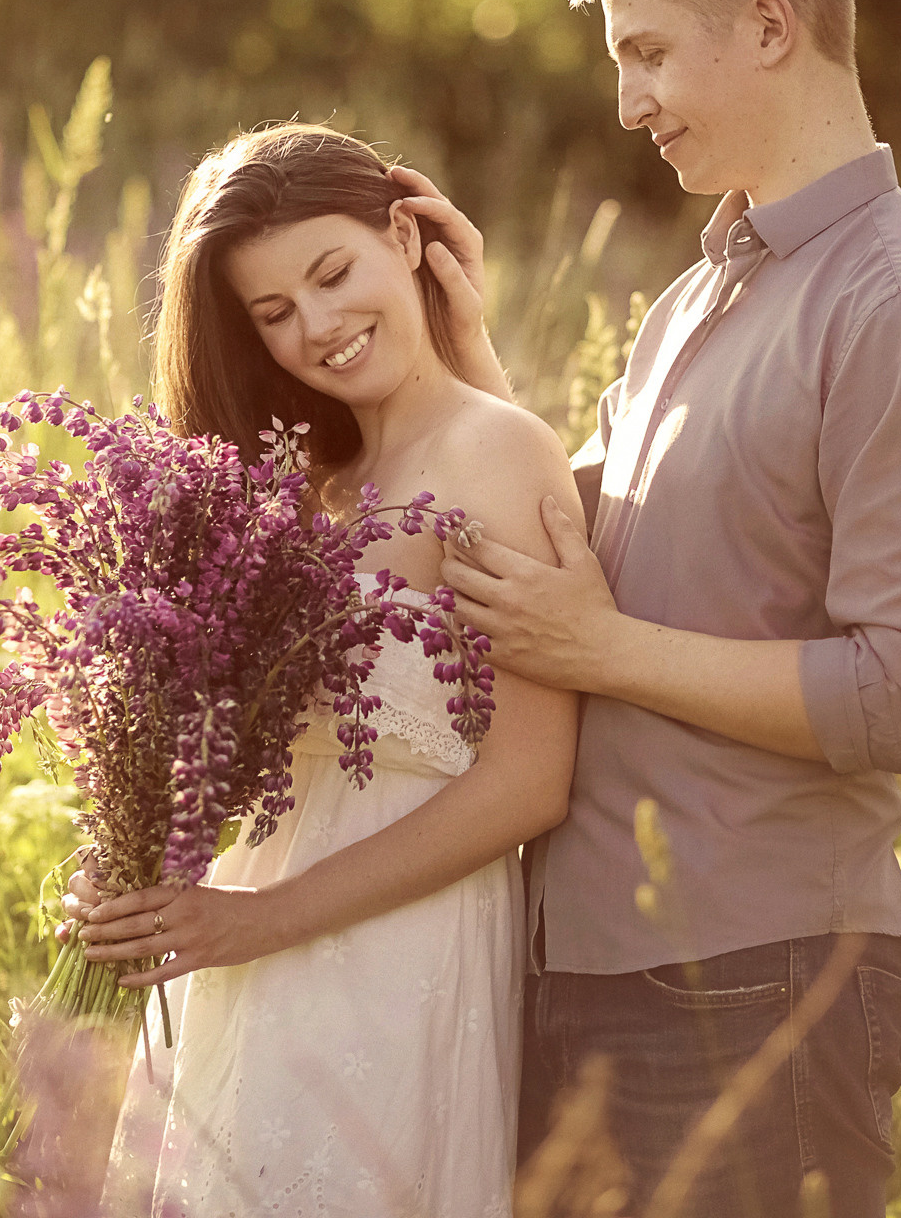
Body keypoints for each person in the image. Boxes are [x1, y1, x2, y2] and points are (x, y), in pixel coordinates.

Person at [390, 0, 901, 1217]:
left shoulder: (895, 305)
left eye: (650, 53)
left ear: (773, 28)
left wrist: (607, 655)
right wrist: (467, 351)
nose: (629, 102)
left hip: (756, 982)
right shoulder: (698, 294)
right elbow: (578, 546)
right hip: (593, 965)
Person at [67, 124, 582, 1217]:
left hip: (395, 967)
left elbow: (531, 778)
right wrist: (129, 859)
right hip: (238, 955)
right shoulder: (304, 484)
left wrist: (264, 919)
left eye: (334, 273)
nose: (319, 329)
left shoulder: (495, 453)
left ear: (405, 233)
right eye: (273, 313)